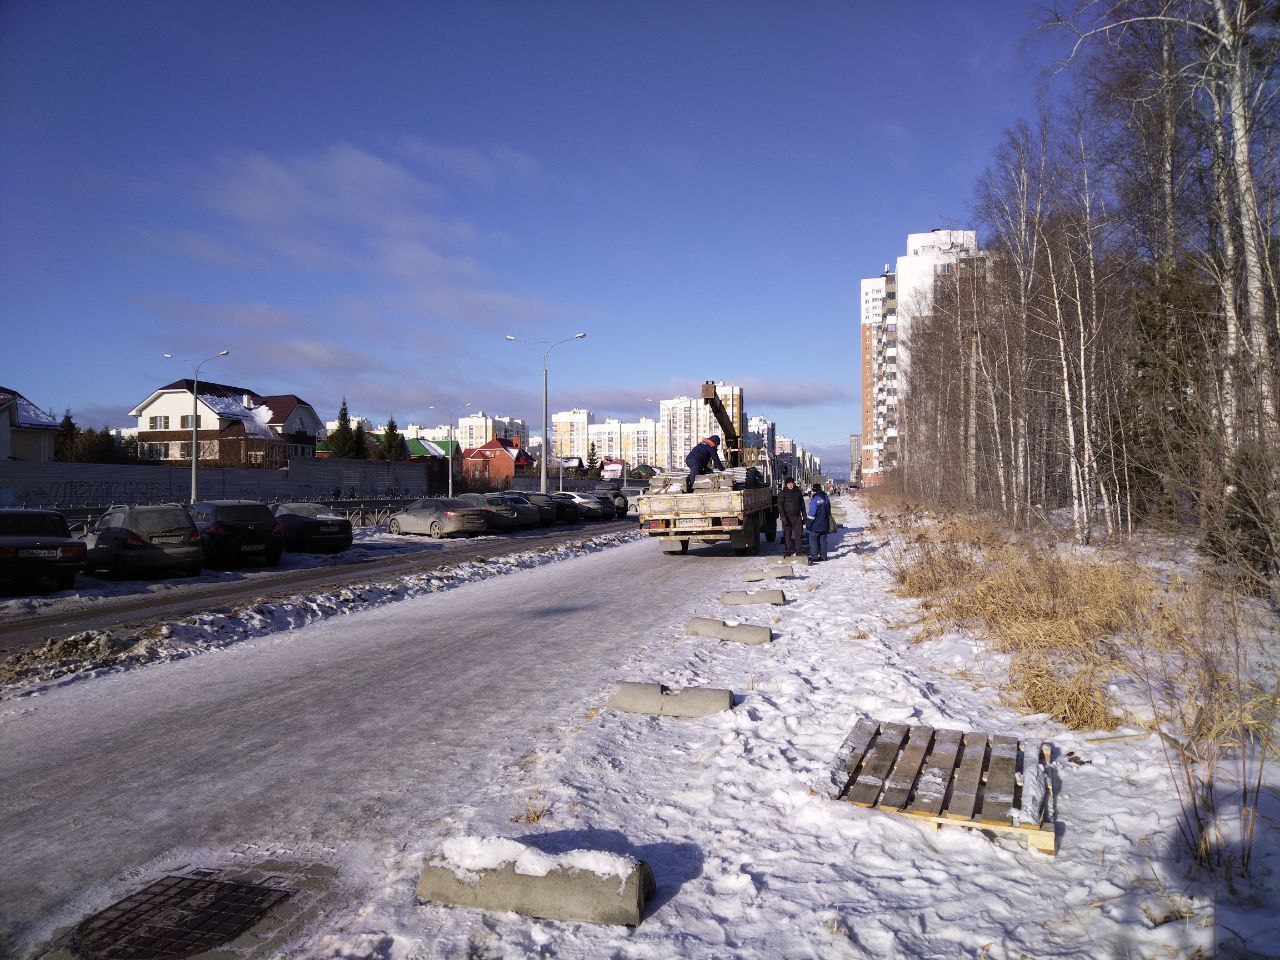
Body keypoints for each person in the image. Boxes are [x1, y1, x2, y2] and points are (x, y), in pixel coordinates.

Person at [777, 477, 805, 557]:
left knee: (799, 535)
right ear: (786, 484)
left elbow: (802, 505)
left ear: (794, 484)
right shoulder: (782, 493)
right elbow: (780, 506)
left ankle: (798, 550)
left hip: (797, 517)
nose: (790, 485)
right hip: (787, 517)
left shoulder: (798, 492)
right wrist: (783, 518)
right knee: (787, 535)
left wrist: (804, 517)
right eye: (789, 483)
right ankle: (788, 550)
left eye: (792, 483)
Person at [805, 483, 831, 562]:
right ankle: (823, 557)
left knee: (813, 540)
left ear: (814, 490)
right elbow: (829, 511)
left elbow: (812, 514)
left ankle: (814, 557)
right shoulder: (826, 498)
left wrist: (808, 524)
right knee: (823, 540)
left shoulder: (815, 499)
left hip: (816, 525)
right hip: (824, 524)